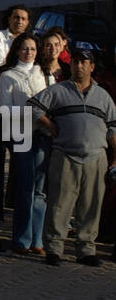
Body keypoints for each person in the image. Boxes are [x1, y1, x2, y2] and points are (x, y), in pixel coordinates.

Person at [29, 45, 116, 267]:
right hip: (65, 155)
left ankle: (86, 249)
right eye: (75, 61)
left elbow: (113, 126)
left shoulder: (103, 95)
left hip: (96, 157)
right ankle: (54, 249)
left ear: (92, 67)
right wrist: (49, 124)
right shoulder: (59, 90)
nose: (79, 65)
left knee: (91, 205)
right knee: (59, 204)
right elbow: (33, 106)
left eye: (83, 62)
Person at [0, 33, 48, 255]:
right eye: (25, 48)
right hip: (21, 134)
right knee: (25, 187)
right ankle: (21, 239)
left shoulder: (41, 72)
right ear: (17, 50)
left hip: (42, 134)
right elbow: (4, 109)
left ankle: (38, 240)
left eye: (33, 49)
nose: (29, 53)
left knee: (40, 189)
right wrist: (30, 113)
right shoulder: (8, 76)